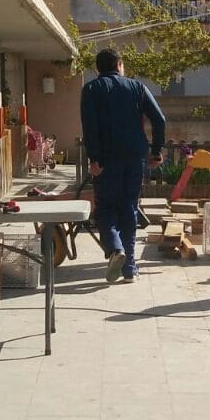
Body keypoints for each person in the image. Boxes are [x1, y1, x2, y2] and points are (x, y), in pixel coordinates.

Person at [79, 47, 165, 283]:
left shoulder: (91, 89)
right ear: (119, 65)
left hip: (106, 160)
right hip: (135, 157)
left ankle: (116, 249)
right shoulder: (137, 87)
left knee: (106, 208)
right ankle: (130, 268)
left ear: (98, 69)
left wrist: (94, 159)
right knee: (129, 207)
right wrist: (156, 150)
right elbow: (159, 119)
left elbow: (90, 126)